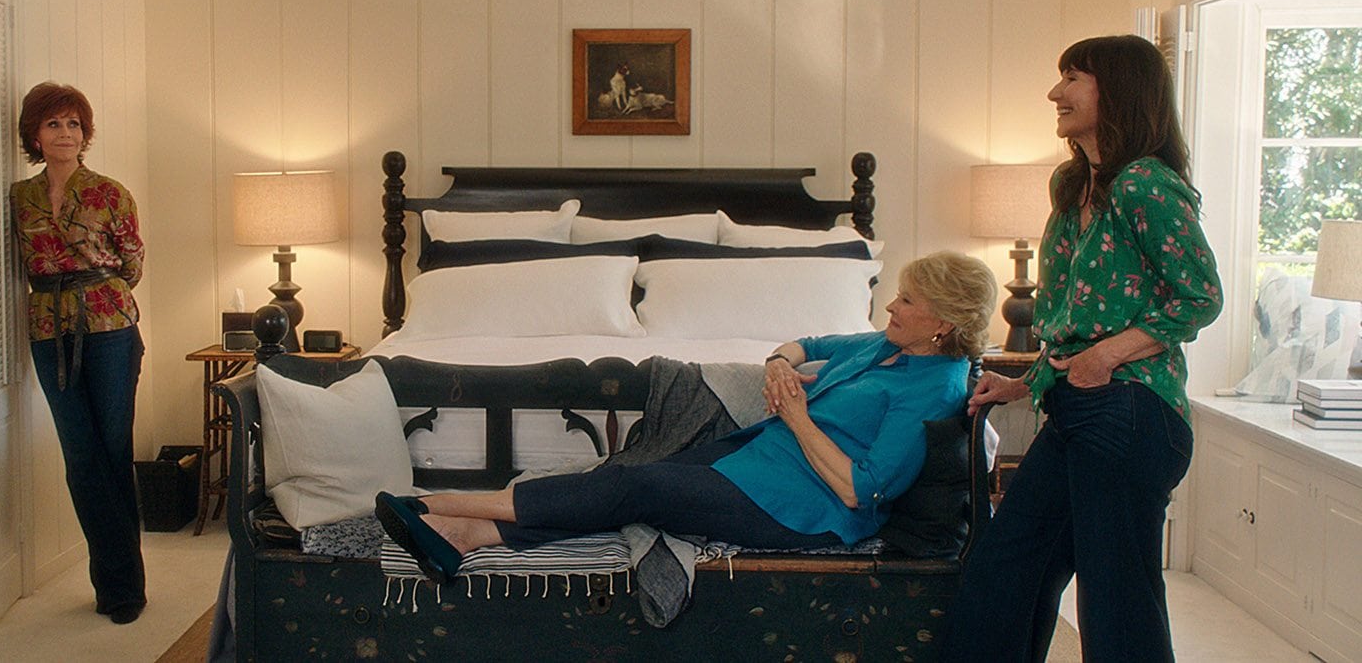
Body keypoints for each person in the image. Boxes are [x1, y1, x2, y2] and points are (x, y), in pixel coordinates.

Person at [375, 251, 999, 585]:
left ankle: (433, 504)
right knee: (627, 479)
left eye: (907, 300)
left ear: (943, 322)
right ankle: (470, 538)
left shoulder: (933, 389)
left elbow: (863, 490)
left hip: (808, 509)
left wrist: (799, 417)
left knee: (634, 486)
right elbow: (809, 342)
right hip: (762, 459)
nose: (890, 305)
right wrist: (778, 365)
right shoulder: (886, 344)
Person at [943, 35, 1223, 662]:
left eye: (1072, 78)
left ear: (1117, 90)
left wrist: (1108, 356)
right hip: (1078, 407)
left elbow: (1201, 296)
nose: (1055, 93)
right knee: (1005, 572)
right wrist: (1027, 382)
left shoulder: (1145, 185)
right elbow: (1074, 319)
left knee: (1116, 599)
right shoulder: (1074, 185)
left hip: (1132, 409)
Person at [12, 82, 148, 624]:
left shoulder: (110, 193)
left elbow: (132, 265)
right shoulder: (20, 198)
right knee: (81, 458)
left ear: (84, 134)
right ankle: (115, 579)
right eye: (53, 124)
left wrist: (91, 290)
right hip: (48, 328)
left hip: (109, 326)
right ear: (35, 135)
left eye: (73, 124)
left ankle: (123, 589)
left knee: (112, 453)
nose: (65, 133)